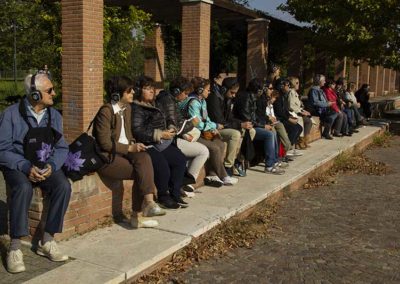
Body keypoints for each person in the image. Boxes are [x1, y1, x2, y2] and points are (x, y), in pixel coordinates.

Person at [0, 73, 71, 273]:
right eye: (50, 90)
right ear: (35, 95)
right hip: (18, 166)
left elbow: (62, 148)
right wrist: (24, 167)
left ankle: (47, 240)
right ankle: (14, 248)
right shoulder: (11, 114)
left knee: (63, 186)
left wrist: (52, 166)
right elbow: (2, 149)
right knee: (23, 187)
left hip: (44, 165)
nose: (54, 94)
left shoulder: (54, 116)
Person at [93, 76, 165, 229]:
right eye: (128, 90)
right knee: (141, 172)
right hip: (108, 157)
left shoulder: (127, 109)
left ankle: (149, 203)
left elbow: (129, 135)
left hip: (126, 152)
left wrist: (133, 144)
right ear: (117, 94)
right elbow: (104, 143)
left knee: (145, 156)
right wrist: (129, 148)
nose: (133, 92)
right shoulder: (105, 112)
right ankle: (138, 214)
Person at [131, 76, 188, 209]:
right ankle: (163, 196)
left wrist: (171, 128)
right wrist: (160, 134)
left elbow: (169, 117)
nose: (151, 91)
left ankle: (175, 193)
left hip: (162, 141)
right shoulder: (136, 108)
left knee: (180, 160)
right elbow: (137, 131)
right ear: (139, 90)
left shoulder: (156, 103)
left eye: (152, 88)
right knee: (162, 166)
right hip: (147, 143)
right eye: (147, 89)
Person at [178, 77, 238, 186]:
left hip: (202, 131)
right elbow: (197, 123)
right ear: (200, 90)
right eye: (208, 89)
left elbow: (206, 119)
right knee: (214, 148)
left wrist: (212, 128)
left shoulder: (202, 101)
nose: (209, 92)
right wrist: (213, 126)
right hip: (193, 133)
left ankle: (212, 174)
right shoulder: (193, 103)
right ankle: (224, 176)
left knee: (220, 144)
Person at [156, 76, 209, 196]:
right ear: (176, 92)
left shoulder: (171, 100)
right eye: (185, 93)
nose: (186, 96)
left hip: (172, 139)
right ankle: (186, 184)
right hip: (167, 141)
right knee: (203, 151)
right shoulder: (168, 102)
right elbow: (175, 128)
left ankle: (183, 184)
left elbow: (178, 121)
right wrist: (192, 123)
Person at [234, 78, 286, 175]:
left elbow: (254, 116)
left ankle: (274, 161)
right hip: (245, 126)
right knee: (269, 134)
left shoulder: (252, 97)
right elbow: (247, 118)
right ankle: (269, 166)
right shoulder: (246, 98)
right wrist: (263, 125)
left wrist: (264, 123)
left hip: (252, 124)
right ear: (257, 90)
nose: (263, 91)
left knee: (272, 132)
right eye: (261, 89)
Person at [207, 77, 253, 177]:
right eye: (232, 92)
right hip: (214, 129)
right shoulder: (214, 98)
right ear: (224, 89)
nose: (234, 95)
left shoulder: (227, 99)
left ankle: (238, 160)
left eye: (235, 93)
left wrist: (243, 123)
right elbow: (220, 121)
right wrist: (240, 125)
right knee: (235, 134)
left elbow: (230, 118)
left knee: (251, 131)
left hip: (224, 127)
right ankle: (228, 166)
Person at [274, 78, 303, 156]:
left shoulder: (283, 95)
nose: (289, 87)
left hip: (284, 117)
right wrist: (289, 119)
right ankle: (286, 150)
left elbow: (285, 110)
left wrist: (291, 116)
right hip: (279, 119)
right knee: (294, 129)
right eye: (287, 85)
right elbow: (279, 112)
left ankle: (290, 147)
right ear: (281, 86)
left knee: (299, 128)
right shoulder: (277, 96)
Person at [307, 74, 337, 140]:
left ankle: (326, 129)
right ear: (319, 81)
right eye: (323, 80)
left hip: (323, 109)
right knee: (331, 116)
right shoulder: (314, 90)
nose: (325, 82)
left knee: (335, 113)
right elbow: (315, 102)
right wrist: (327, 104)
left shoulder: (320, 90)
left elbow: (324, 101)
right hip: (316, 110)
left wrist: (329, 103)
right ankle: (325, 131)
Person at [287, 77, 314, 148]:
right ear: (292, 84)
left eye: (298, 83)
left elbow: (298, 106)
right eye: (296, 83)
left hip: (297, 112)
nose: (298, 84)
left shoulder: (295, 92)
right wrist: (301, 112)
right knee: (307, 121)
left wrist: (304, 111)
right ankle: (300, 141)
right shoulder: (291, 92)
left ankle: (305, 141)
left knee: (309, 120)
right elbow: (291, 106)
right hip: (293, 114)